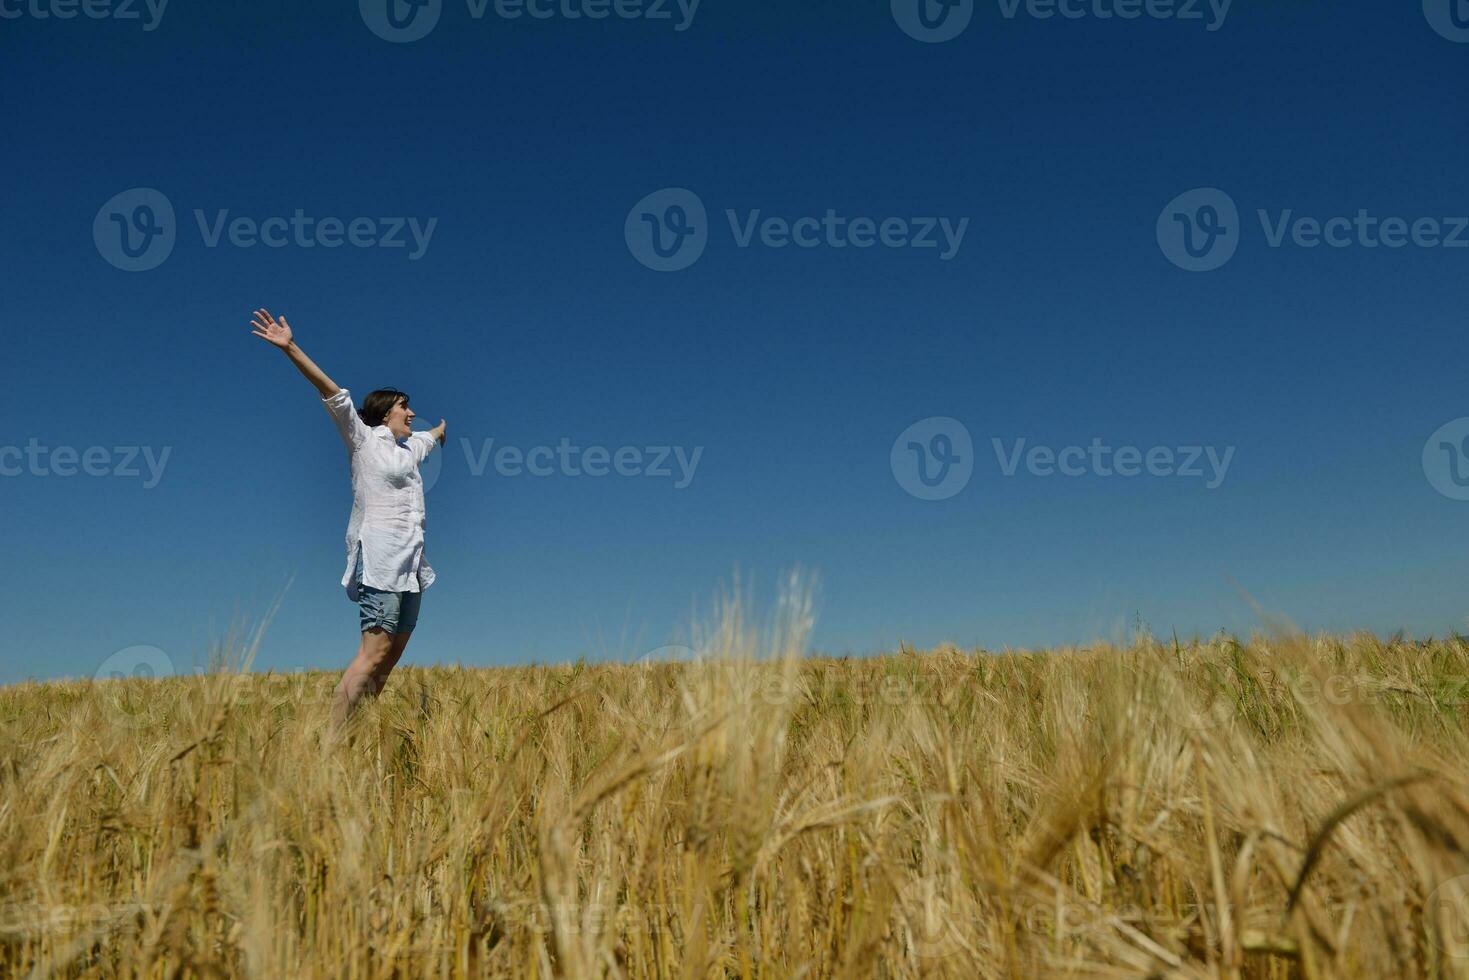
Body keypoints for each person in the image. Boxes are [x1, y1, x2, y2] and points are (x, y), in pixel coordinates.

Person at [249, 309, 446, 730]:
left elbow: (430, 439)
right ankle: (330, 745)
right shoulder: (361, 438)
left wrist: (441, 431)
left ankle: (361, 735)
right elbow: (332, 392)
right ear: (384, 413)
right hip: (380, 561)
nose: (411, 414)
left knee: (389, 661)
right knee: (371, 654)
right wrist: (290, 348)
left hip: (412, 567)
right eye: (405, 407)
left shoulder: (410, 450)